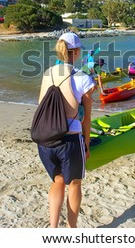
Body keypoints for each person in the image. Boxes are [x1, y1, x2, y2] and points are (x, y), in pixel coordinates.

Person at [36, 32, 95, 228]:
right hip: (69, 141)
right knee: (75, 183)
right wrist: (86, 144)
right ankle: (72, 229)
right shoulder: (83, 78)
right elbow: (86, 118)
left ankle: (53, 228)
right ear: (76, 52)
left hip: (45, 139)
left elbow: (41, 104)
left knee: (58, 180)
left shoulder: (47, 73)